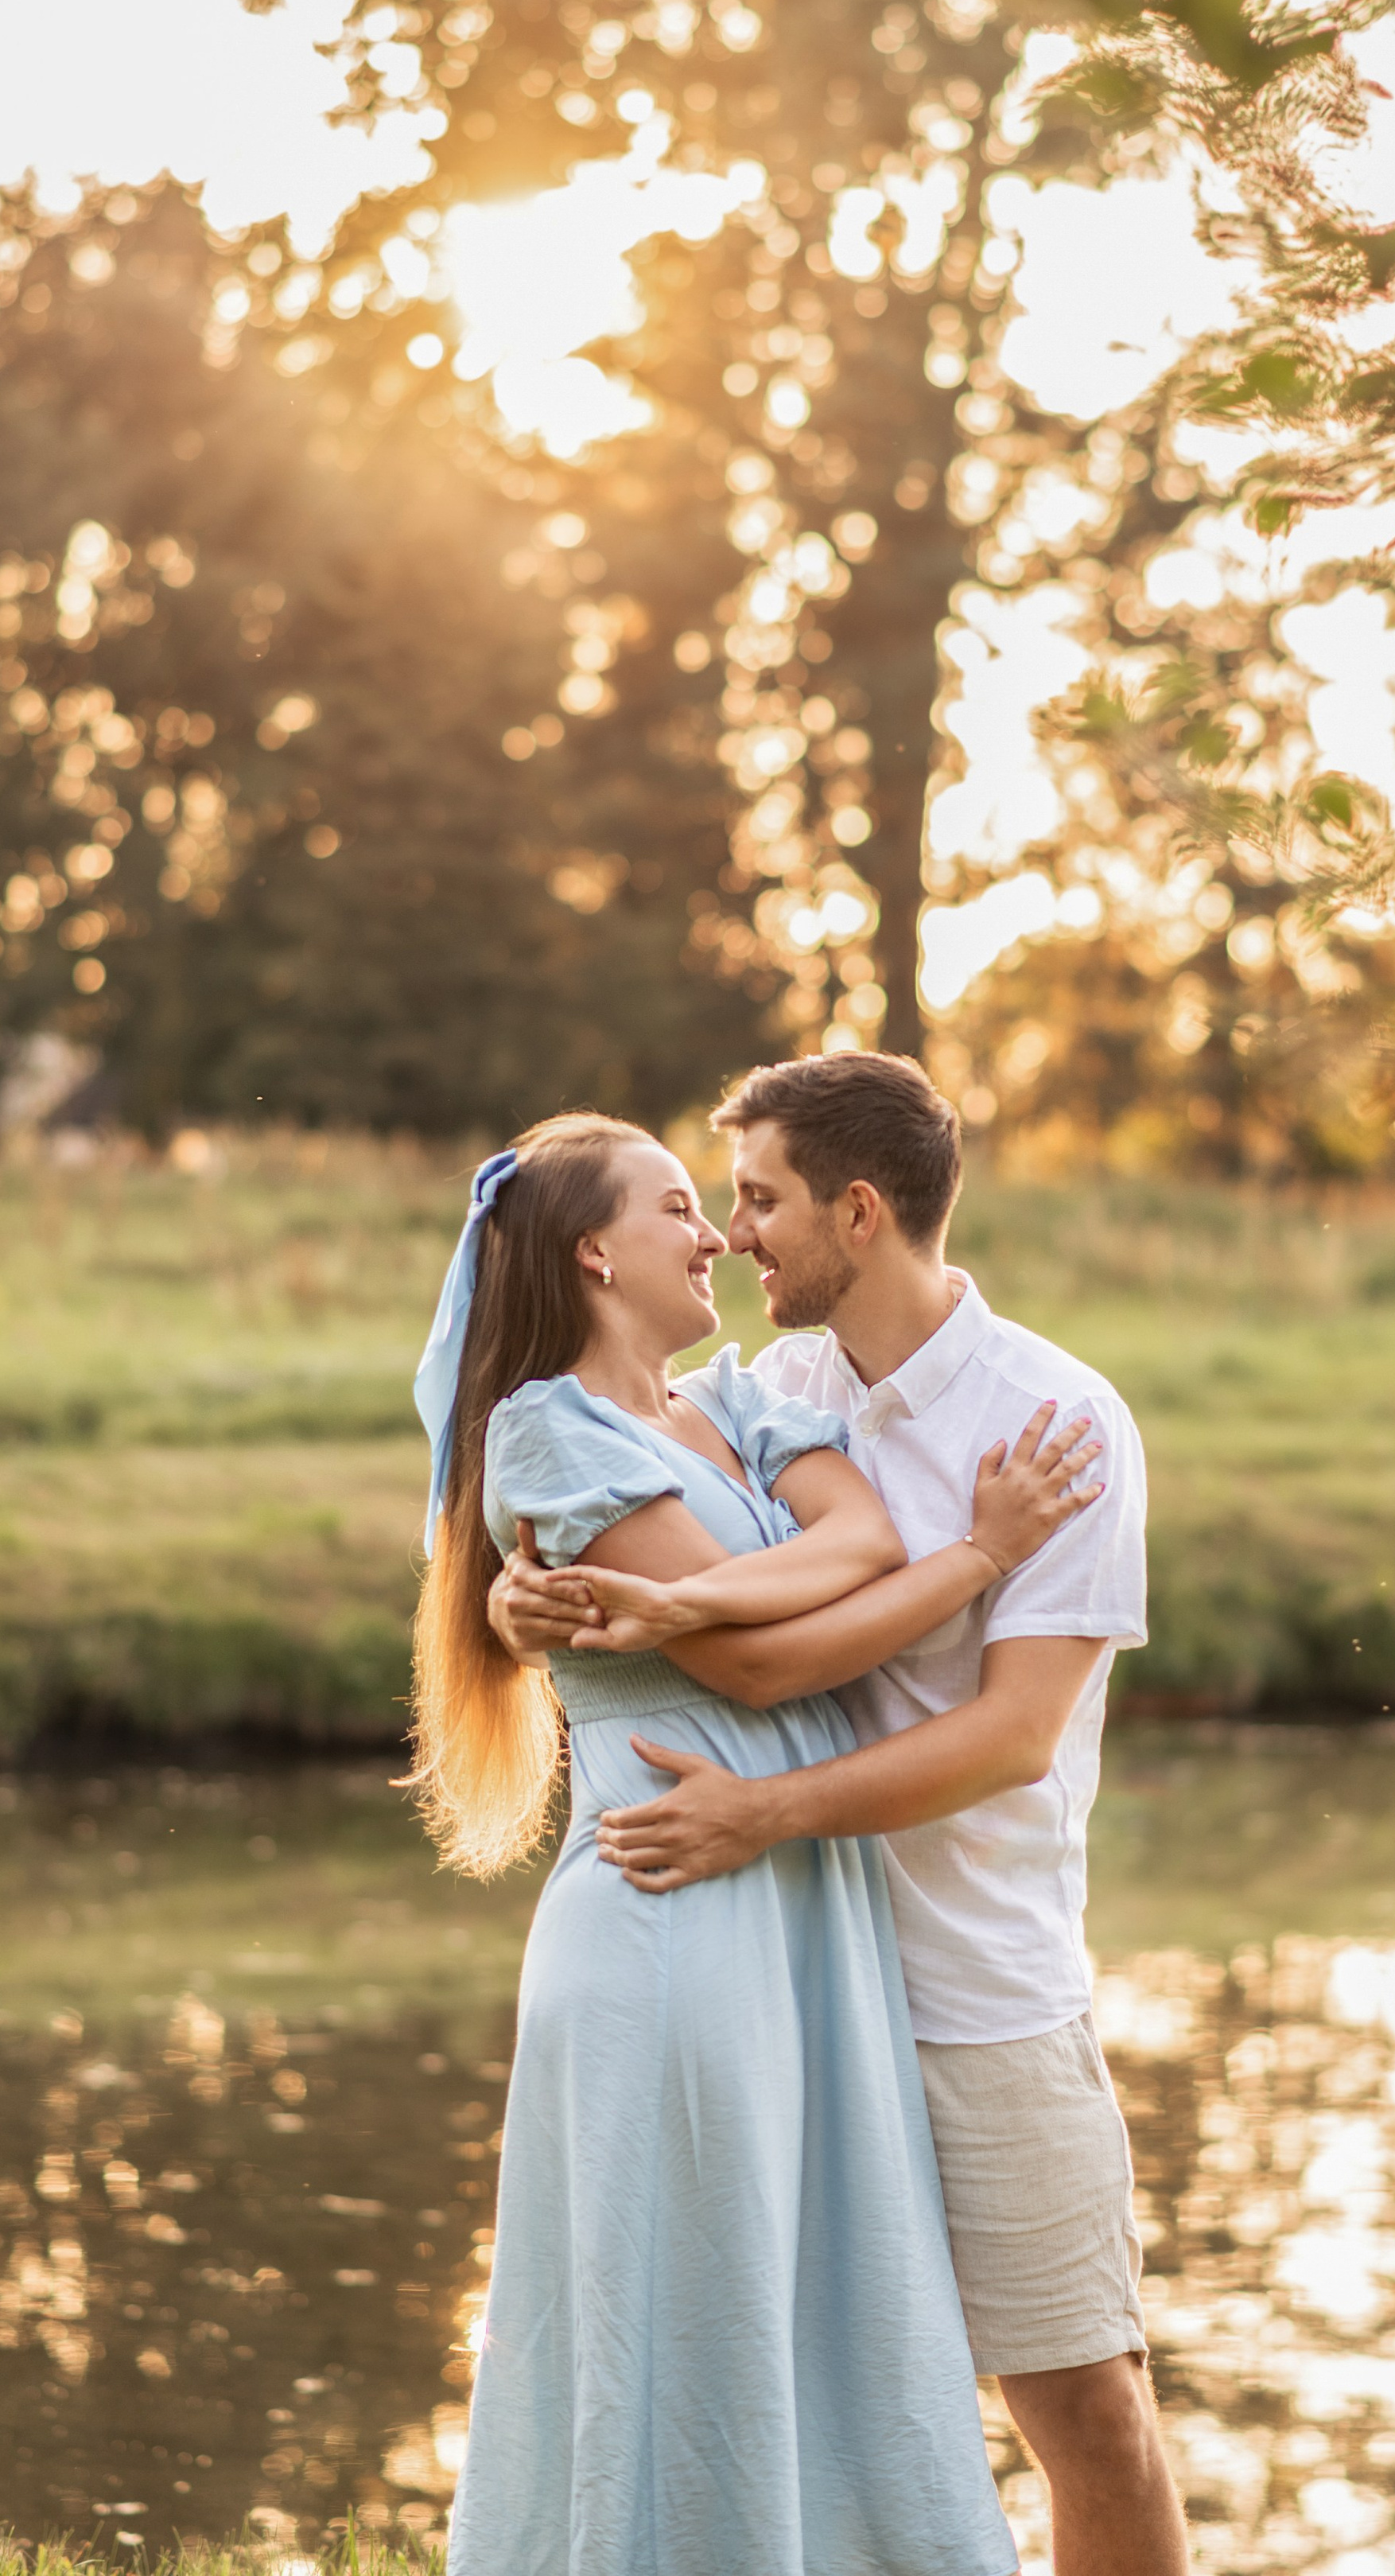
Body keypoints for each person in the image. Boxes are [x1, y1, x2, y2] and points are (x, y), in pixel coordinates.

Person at [492, 1056, 1191, 2576]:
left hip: (972, 1989)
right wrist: (515, 1588)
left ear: (858, 1213)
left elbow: (1011, 1739)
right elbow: (610, 1503)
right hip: (793, 1977)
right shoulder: (769, 1391)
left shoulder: (1061, 1420)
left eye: (760, 1200)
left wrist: (767, 1814)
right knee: (822, 2400)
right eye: (720, 1203)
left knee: (1085, 2407)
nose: (736, 1235)